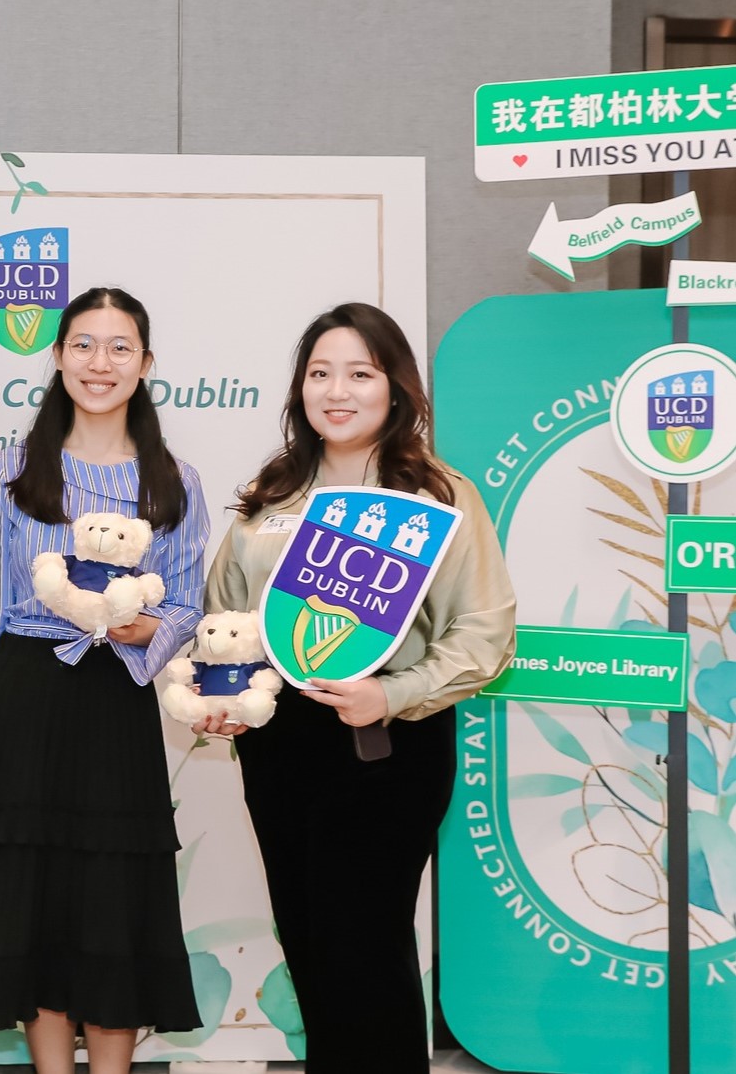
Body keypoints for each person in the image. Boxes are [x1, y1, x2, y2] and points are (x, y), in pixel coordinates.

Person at [204, 303, 516, 1074]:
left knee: (363, 951)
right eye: (318, 372)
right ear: (298, 389)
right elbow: (225, 615)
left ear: (394, 388)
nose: (335, 389)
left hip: (386, 743)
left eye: (358, 372)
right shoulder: (269, 495)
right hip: (279, 748)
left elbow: (484, 632)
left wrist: (395, 691)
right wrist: (223, 692)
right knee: (309, 946)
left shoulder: (439, 495)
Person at [0, 287, 208, 1074]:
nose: (100, 363)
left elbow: (186, 606)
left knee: (112, 904)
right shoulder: (16, 470)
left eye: (119, 347)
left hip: (113, 699)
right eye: (83, 344)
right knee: (30, 896)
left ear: (145, 365)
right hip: (22, 693)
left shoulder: (173, 484)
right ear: (56, 357)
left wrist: (137, 625)